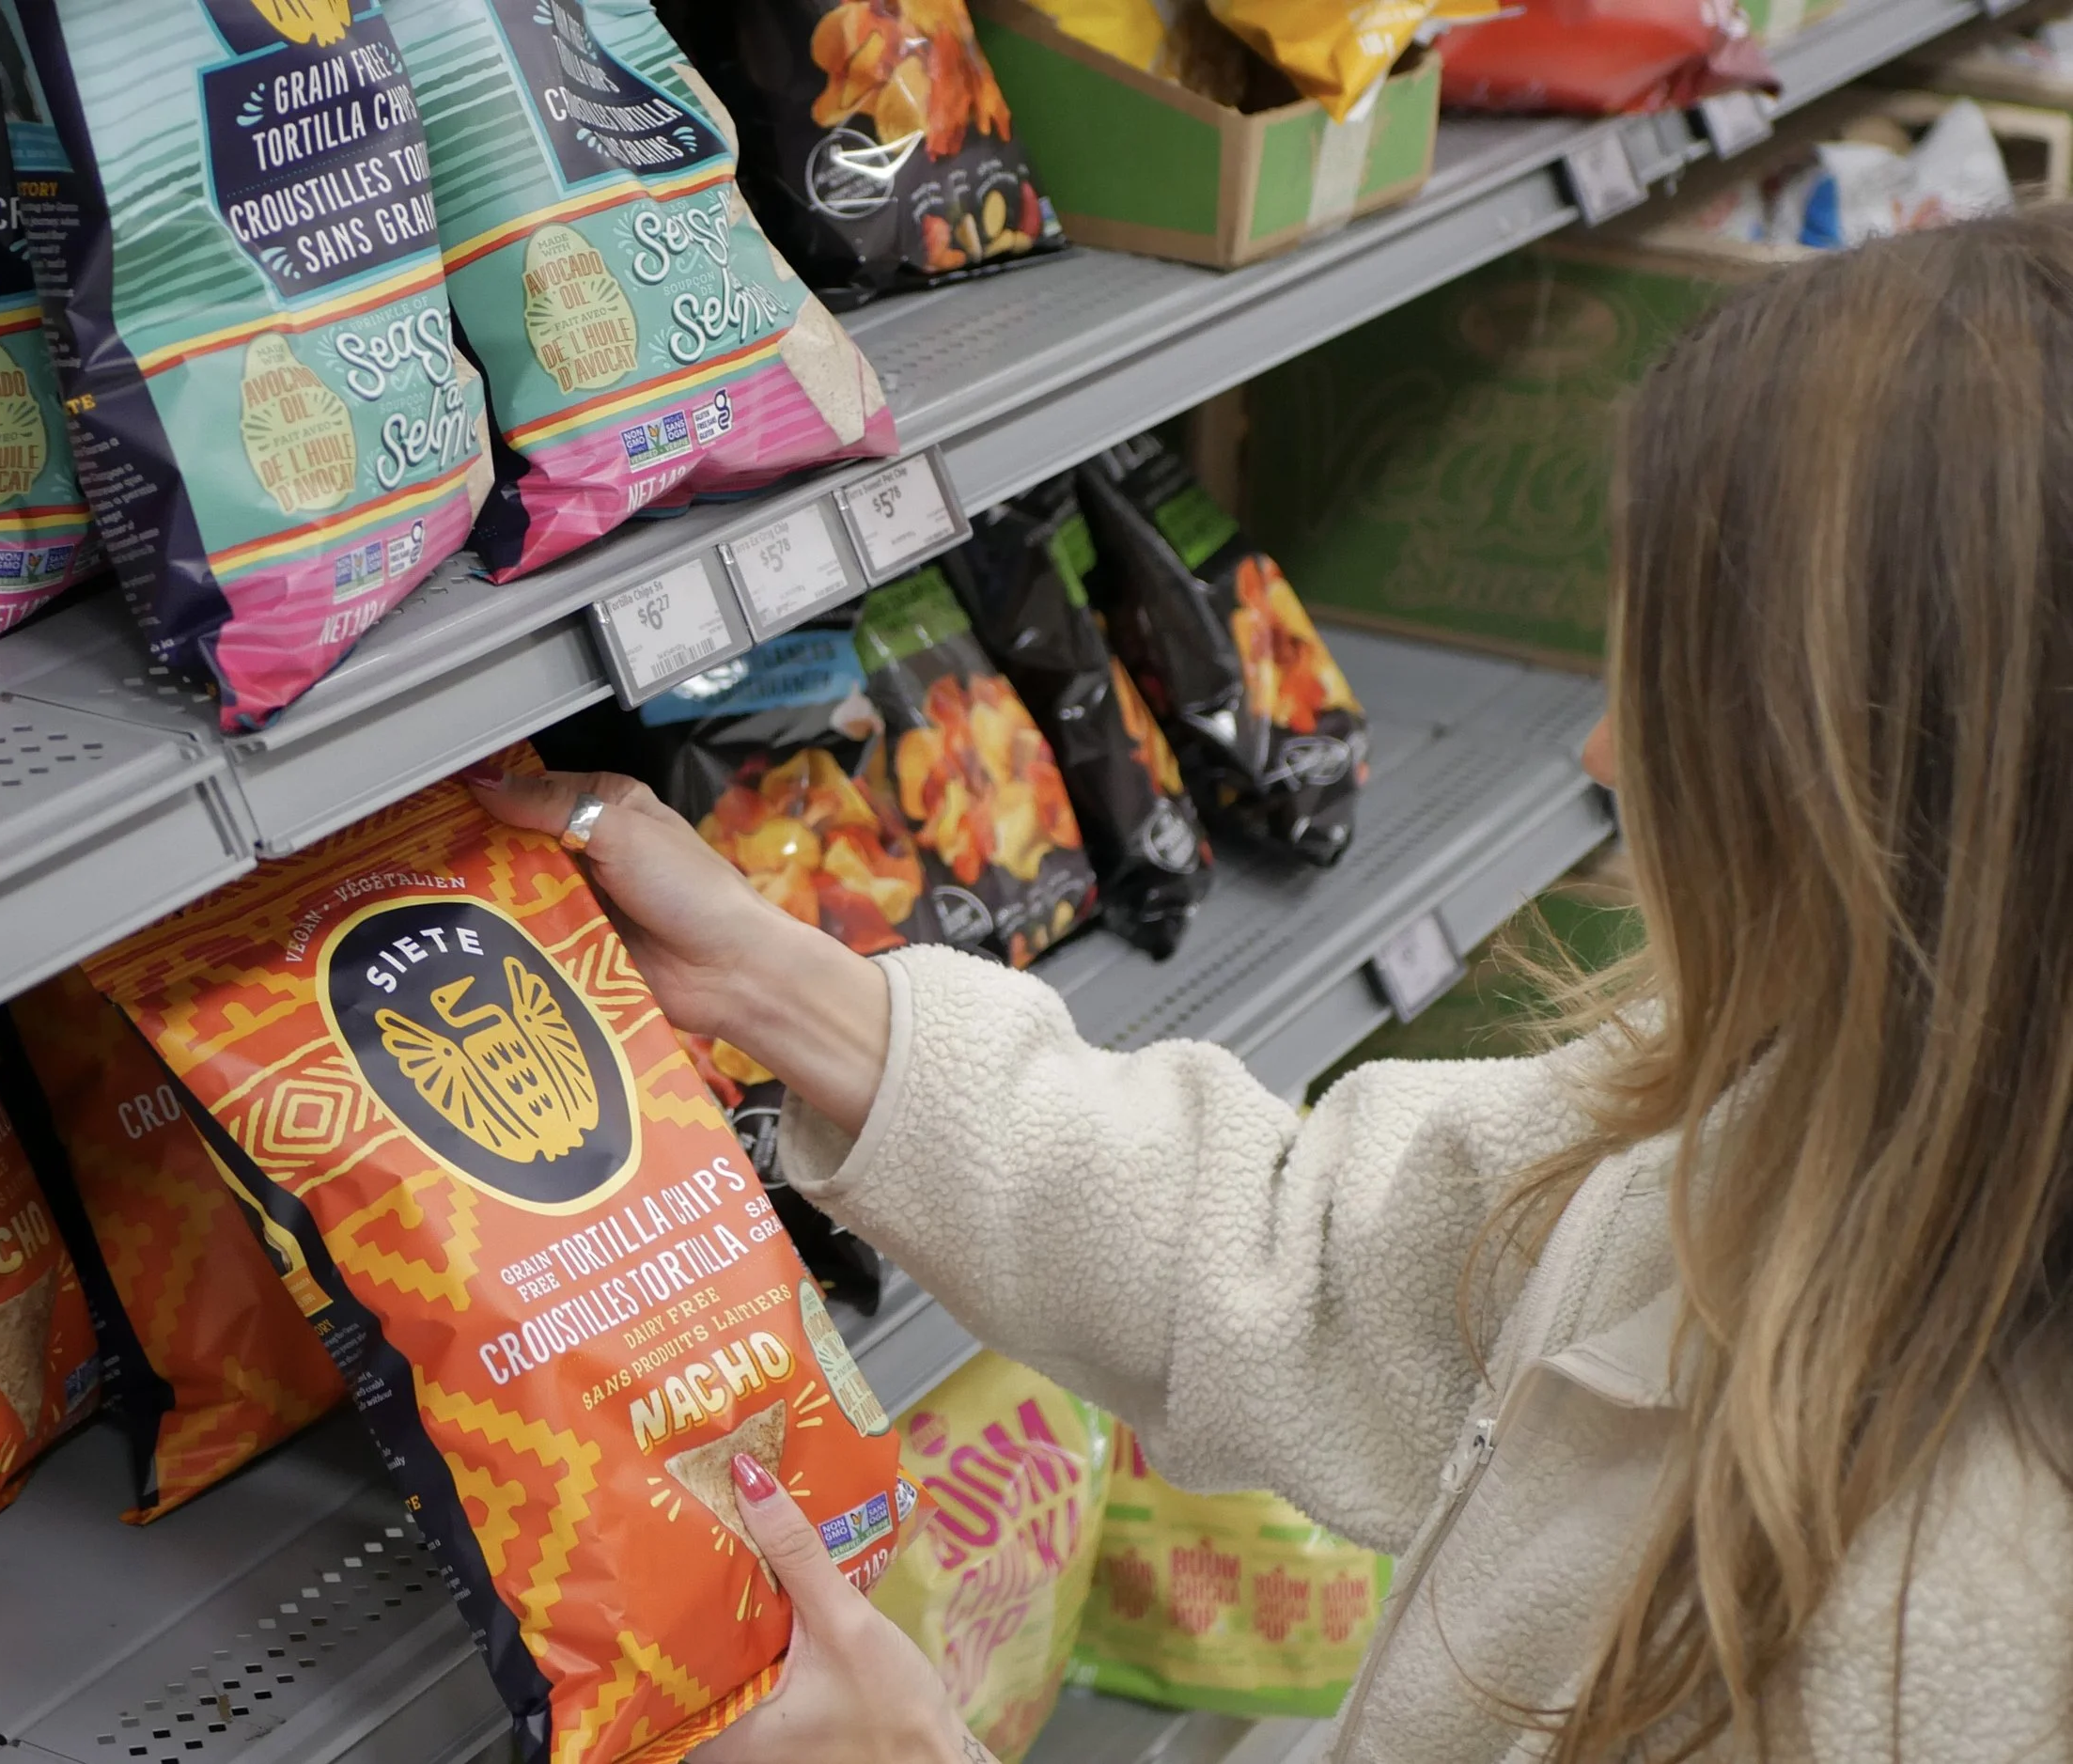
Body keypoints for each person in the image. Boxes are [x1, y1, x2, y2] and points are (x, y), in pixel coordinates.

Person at [479, 210, 2073, 1763]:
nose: (1601, 754)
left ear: (1875, 794)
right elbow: (1308, 1255)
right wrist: (781, 986)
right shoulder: (1822, 1117)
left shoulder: (1949, 1637)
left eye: (1662, 694)